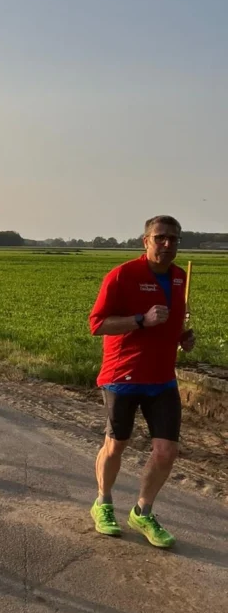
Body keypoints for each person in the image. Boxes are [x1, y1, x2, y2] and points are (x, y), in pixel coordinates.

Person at [88, 215, 195, 548]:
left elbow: (171, 323)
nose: (167, 244)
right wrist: (141, 320)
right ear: (145, 241)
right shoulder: (122, 275)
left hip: (162, 378)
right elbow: (98, 324)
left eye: (173, 239)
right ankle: (103, 502)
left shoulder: (179, 279)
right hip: (123, 376)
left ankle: (143, 511)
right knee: (116, 444)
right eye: (160, 237)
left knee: (166, 452)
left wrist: (182, 337)